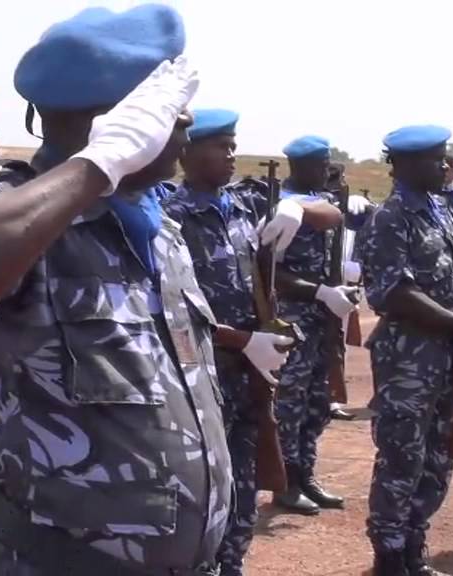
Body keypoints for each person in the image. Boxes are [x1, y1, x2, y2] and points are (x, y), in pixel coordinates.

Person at [0, 5, 233, 574]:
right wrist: (99, 162)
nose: (186, 125)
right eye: (170, 111)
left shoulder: (159, 229)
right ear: (118, 122)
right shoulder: (17, 219)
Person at [162, 109, 340, 576]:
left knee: (242, 493)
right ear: (187, 152)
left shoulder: (245, 205)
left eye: (232, 145)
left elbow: (332, 212)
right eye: (221, 146)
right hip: (201, 377)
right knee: (202, 495)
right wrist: (242, 340)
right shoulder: (170, 218)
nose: (231, 154)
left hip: (249, 375)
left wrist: (296, 208)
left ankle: (233, 565)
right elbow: (174, 314)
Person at [356, 125, 453, 575]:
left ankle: (414, 548)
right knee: (401, 458)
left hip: (447, 354)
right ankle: (390, 557)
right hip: (408, 356)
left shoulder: (439, 208)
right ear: (404, 164)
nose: (445, 166)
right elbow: (394, 293)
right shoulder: (390, 218)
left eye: (445, 157)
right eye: (434, 158)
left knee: (437, 456)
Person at [270, 135, 372, 515]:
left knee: (318, 402)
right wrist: (320, 292)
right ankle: (286, 483)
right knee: (290, 404)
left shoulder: (323, 201)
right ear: (301, 166)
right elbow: (271, 273)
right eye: (321, 164)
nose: (326, 170)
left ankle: (306, 474)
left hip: (323, 319)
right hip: (293, 319)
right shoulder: (281, 207)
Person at [327, 162, 359, 422]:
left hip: (342, 285)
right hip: (317, 290)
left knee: (337, 343)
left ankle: (332, 399)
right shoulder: (311, 207)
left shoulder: (348, 209)